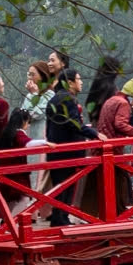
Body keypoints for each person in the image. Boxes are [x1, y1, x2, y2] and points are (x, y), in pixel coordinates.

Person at [45, 68, 99, 224]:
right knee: (66, 186)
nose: (81, 82)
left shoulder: (55, 99)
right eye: (78, 79)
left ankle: (60, 217)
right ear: (69, 82)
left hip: (56, 151)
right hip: (68, 151)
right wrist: (94, 133)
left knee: (60, 186)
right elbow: (75, 124)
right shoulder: (68, 99)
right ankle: (61, 218)